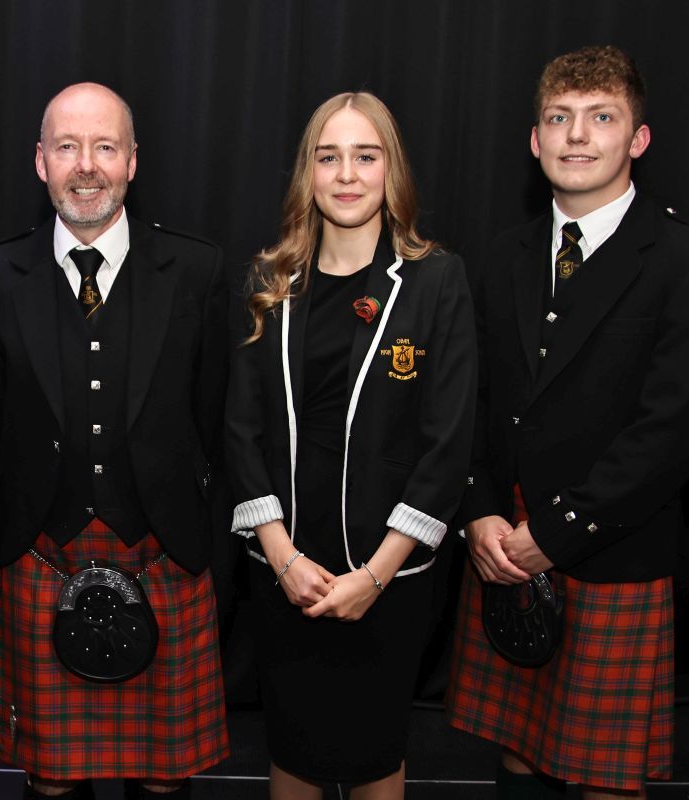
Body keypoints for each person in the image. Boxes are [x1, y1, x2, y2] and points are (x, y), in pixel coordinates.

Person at [445, 45, 689, 799]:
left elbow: (671, 432)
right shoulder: (501, 253)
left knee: (606, 776)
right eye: (559, 118)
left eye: (601, 117)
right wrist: (477, 513)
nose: (577, 135)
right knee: (516, 749)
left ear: (637, 139)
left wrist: (557, 532)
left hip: (610, 550)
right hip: (503, 543)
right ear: (535, 140)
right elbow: (468, 398)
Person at [0, 82, 230, 799]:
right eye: (67, 147)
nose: (87, 165)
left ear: (133, 162)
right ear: (40, 162)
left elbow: (215, 416)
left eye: (105, 147)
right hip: (40, 551)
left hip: (162, 549)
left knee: (162, 776)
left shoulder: (197, 271)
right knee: (51, 779)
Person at [225, 92, 476, 799]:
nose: (346, 174)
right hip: (286, 578)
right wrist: (282, 558)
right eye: (327, 157)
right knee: (292, 758)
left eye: (365, 156)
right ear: (307, 172)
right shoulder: (269, 283)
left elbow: (447, 444)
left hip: (388, 581)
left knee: (375, 763)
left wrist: (376, 576)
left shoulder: (435, 281)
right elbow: (239, 428)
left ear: (390, 169)